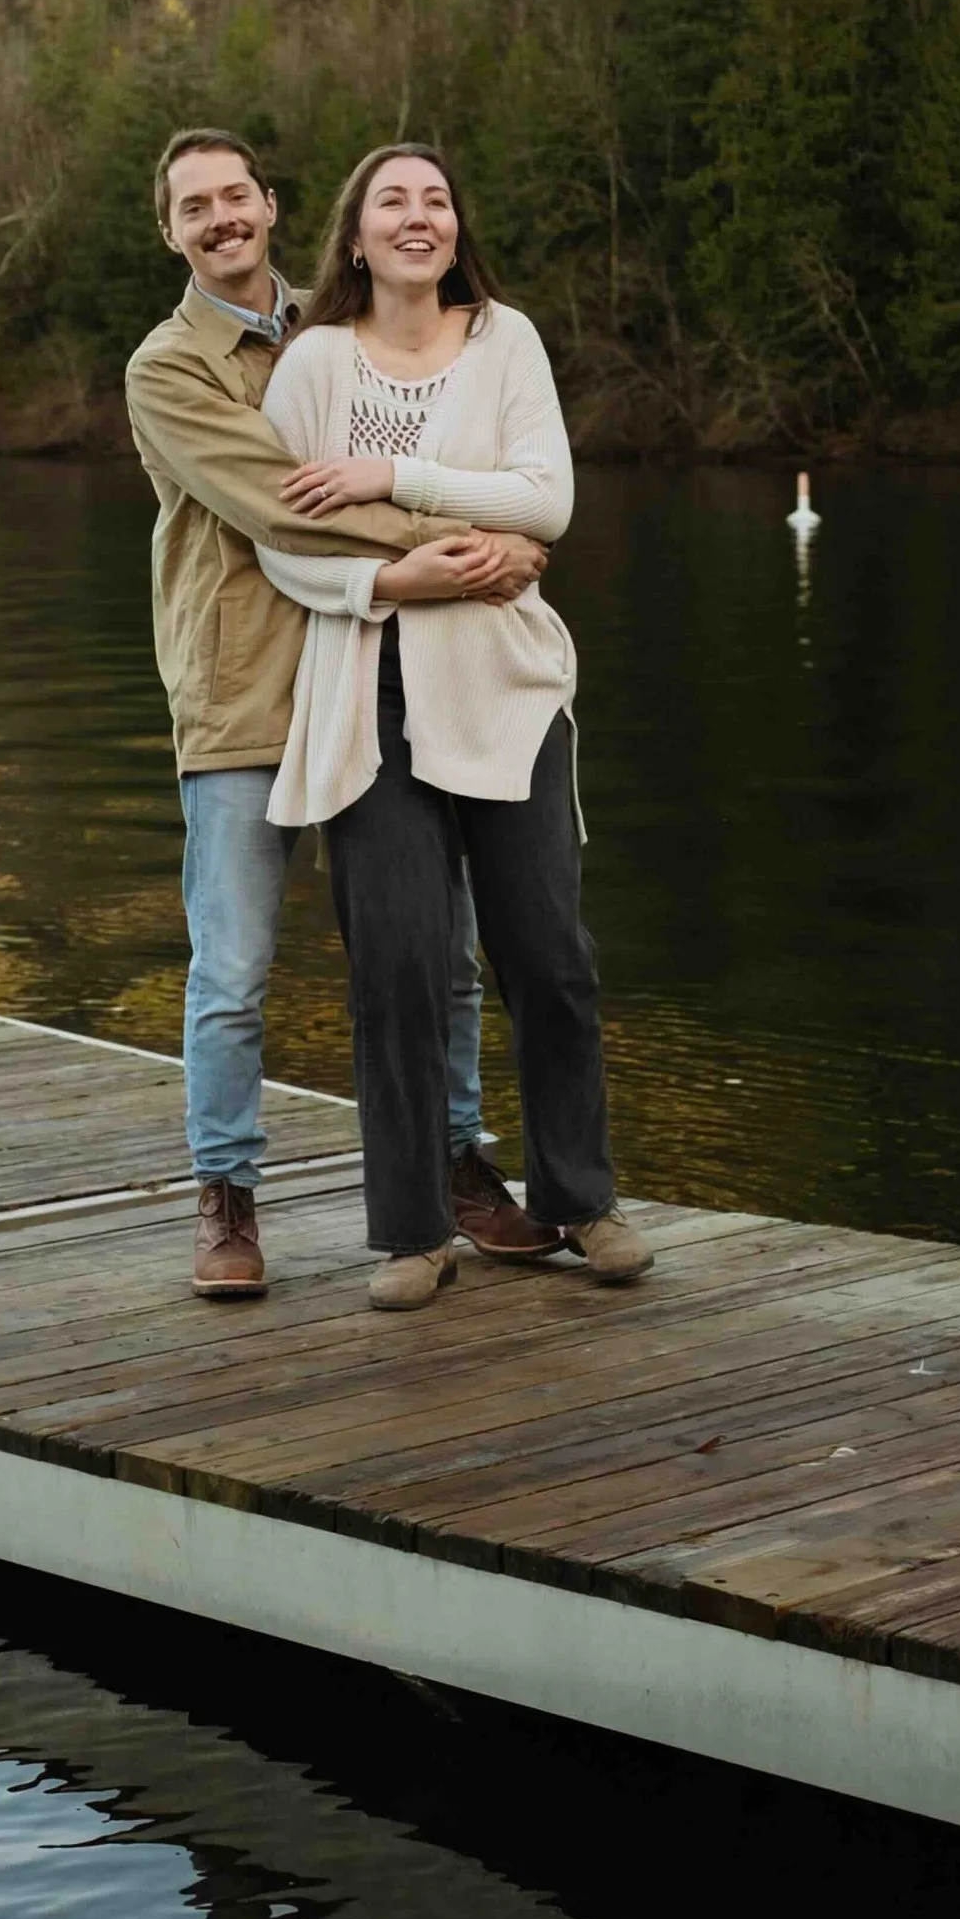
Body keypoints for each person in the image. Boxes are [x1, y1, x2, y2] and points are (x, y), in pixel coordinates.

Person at [124, 128, 564, 1302]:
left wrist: (476, 525)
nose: (220, 218)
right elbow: (282, 506)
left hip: (383, 681)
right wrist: (479, 546)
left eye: (236, 196)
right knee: (233, 968)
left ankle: (458, 1166)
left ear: (271, 206)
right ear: (168, 232)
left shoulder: (350, 330)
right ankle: (225, 1196)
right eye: (192, 207)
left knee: (440, 957)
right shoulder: (166, 369)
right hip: (244, 699)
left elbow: (438, 448)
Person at [257, 143, 652, 1310]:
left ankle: (582, 1200)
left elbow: (547, 503)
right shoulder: (313, 363)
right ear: (356, 236)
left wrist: (391, 477)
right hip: (368, 693)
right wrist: (389, 586)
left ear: (454, 228)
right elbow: (277, 538)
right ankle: (413, 1233)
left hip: (505, 686)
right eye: (393, 201)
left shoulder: (506, 340)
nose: (417, 217)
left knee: (549, 960)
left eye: (435, 200)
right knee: (399, 968)